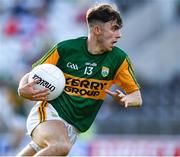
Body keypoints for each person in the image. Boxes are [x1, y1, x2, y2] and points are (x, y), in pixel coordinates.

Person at [17, 3, 142, 156]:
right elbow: (34, 73)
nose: (119, 35)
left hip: (73, 129)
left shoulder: (119, 60)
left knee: (43, 149)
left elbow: (137, 97)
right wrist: (22, 87)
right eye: (114, 28)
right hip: (50, 113)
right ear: (97, 30)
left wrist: (127, 99)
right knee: (61, 146)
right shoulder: (66, 49)